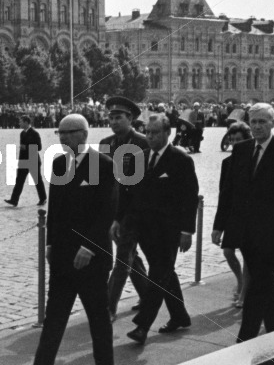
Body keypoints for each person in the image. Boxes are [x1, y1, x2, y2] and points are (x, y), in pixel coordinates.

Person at [14, 114, 117, 365]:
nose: (62, 138)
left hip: (91, 257)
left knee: (97, 315)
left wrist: (90, 247)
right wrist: (50, 244)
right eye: (59, 133)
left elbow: (106, 212)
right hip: (62, 257)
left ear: (83, 134)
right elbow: (56, 209)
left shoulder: (102, 164)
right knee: (54, 318)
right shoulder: (59, 164)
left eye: (68, 133)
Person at [212, 103, 274, 342]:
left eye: (262, 121)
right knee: (262, 282)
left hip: (272, 233)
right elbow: (229, 191)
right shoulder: (241, 150)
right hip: (245, 232)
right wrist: (219, 225)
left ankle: (245, 337)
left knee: (259, 281)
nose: (257, 126)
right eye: (253, 121)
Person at [117, 113, 199, 345]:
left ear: (167, 133)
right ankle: (179, 316)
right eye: (148, 132)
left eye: (155, 132)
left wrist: (187, 231)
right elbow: (127, 192)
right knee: (164, 273)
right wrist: (118, 220)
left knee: (157, 275)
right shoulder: (139, 158)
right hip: (145, 229)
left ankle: (143, 325)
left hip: (170, 231)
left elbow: (189, 198)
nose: (150, 136)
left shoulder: (180, 160)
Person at [98, 96, 150, 320]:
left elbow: (142, 184)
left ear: (130, 119)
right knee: (130, 256)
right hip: (112, 210)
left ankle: (108, 308)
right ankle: (149, 296)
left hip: (133, 211)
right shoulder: (106, 143)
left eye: (118, 117)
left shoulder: (141, 143)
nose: (113, 122)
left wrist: (126, 215)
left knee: (122, 260)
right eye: (110, 118)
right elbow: (100, 180)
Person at [217, 121, 252, 307]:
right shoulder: (227, 162)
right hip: (233, 214)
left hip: (249, 214)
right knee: (228, 251)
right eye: (232, 140)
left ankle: (245, 292)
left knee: (247, 255)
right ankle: (240, 280)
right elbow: (223, 192)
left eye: (239, 140)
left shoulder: (253, 159)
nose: (235, 143)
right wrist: (218, 226)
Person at [5, 114, 47, 207]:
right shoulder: (22, 133)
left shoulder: (35, 133)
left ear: (26, 122)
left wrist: (27, 147)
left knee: (37, 180)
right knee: (19, 181)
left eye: (21, 121)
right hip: (24, 160)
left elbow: (39, 147)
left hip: (33, 160)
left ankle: (43, 198)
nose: (19, 123)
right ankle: (14, 200)